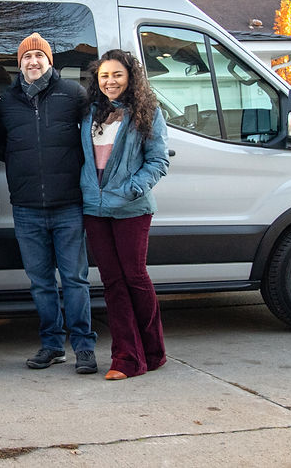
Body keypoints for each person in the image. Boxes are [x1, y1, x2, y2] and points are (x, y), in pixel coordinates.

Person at [0, 33, 98, 374]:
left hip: (69, 203)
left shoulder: (73, 95)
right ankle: (52, 345)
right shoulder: (7, 102)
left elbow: (91, 141)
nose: (33, 62)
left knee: (74, 279)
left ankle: (84, 346)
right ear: (19, 62)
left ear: (49, 61)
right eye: (27, 57)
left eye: (39, 56)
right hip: (26, 207)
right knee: (40, 282)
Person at [80, 49, 169, 380]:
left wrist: (132, 189)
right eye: (104, 75)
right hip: (95, 208)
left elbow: (158, 160)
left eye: (116, 74)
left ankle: (153, 350)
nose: (110, 81)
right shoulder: (90, 114)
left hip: (132, 207)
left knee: (135, 277)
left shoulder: (146, 112)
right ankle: (127, 357)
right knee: (113, 282)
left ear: (130, 77)